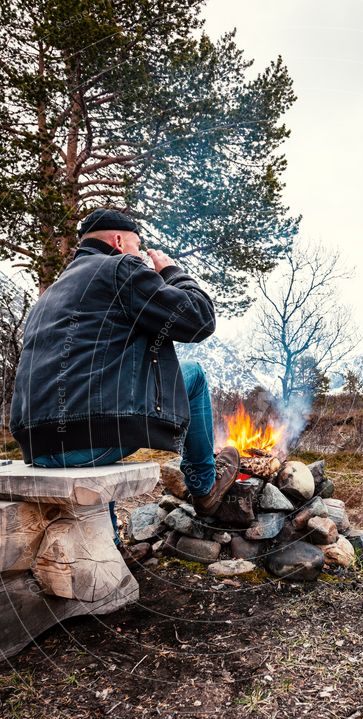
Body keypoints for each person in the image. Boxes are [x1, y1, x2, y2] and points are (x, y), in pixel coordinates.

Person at [9, 208, 240, 566]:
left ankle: (113, 545)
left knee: (99, 412)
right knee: (193, 374)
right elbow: (198, 320)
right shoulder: (120, 268)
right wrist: (171, 272)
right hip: (82, 446)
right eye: (138, 245)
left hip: (36, 446)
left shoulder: (55, 290)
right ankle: (205, 486)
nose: (141, 254)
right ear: (118, 241)